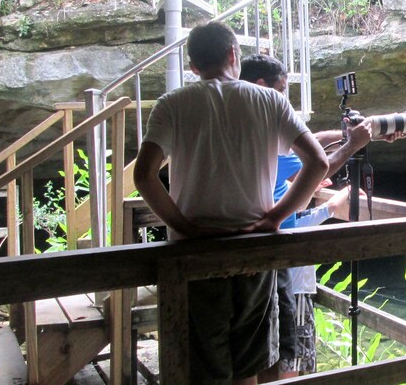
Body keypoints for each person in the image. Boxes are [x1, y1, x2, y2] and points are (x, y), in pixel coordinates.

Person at [132, 22, 329, 385]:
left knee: (204, 368)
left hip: (195, 254)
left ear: (192, 66)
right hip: (253, 250)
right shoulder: (271, 100)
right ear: (232, 54)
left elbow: (144, 175)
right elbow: (318, 163)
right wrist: (275, 217)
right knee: (247, 367)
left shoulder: (171, 104)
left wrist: (185, 226)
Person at [239, 53, 373, 380]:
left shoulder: (242, 125)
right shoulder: (264, 128)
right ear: (262, 87)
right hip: (277, 259)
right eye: (282, 90)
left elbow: (305, 148)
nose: (285, 98)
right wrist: (352, 145)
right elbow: (318, 164)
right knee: (287, 357)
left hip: (254, 259)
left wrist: (344, 136)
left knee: (257, 353)